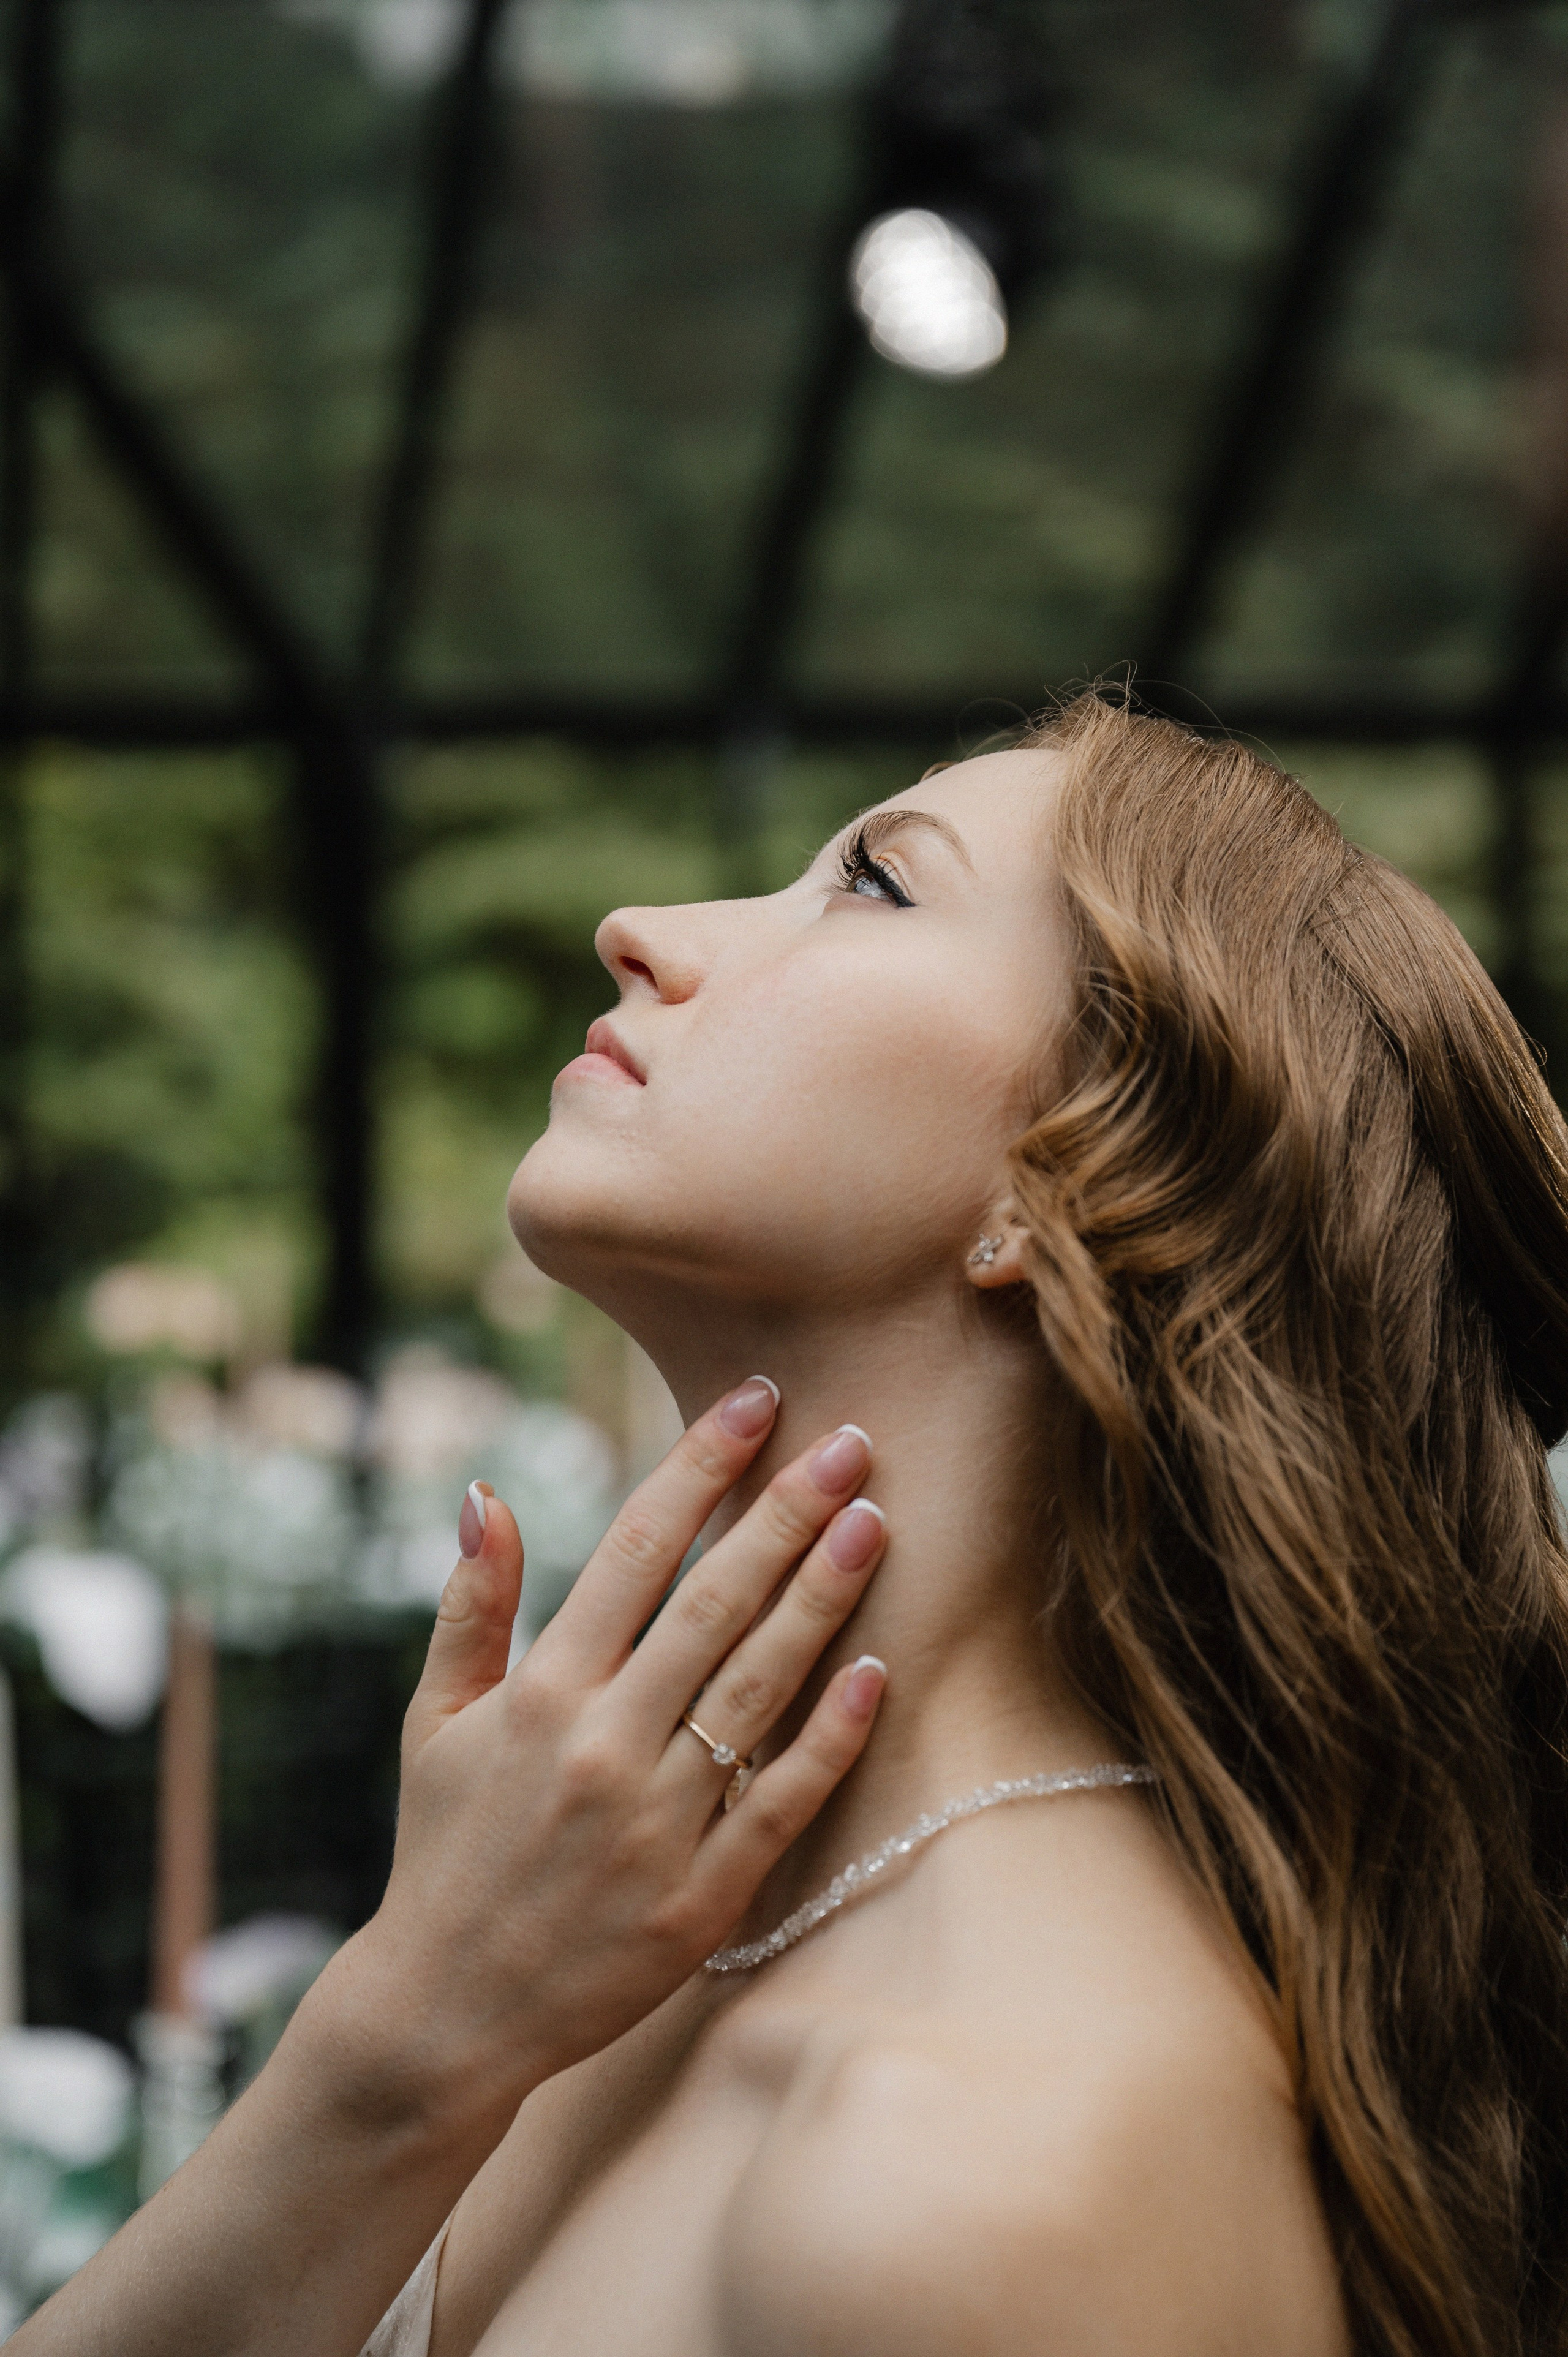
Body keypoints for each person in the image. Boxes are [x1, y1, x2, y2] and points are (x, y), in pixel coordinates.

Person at [18, 690, 1568, 2357]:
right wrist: (394, 2042)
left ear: (1085, 1172)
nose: (638, 930)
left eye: (877, 884)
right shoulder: (592, 1944)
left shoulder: (982, 2180)